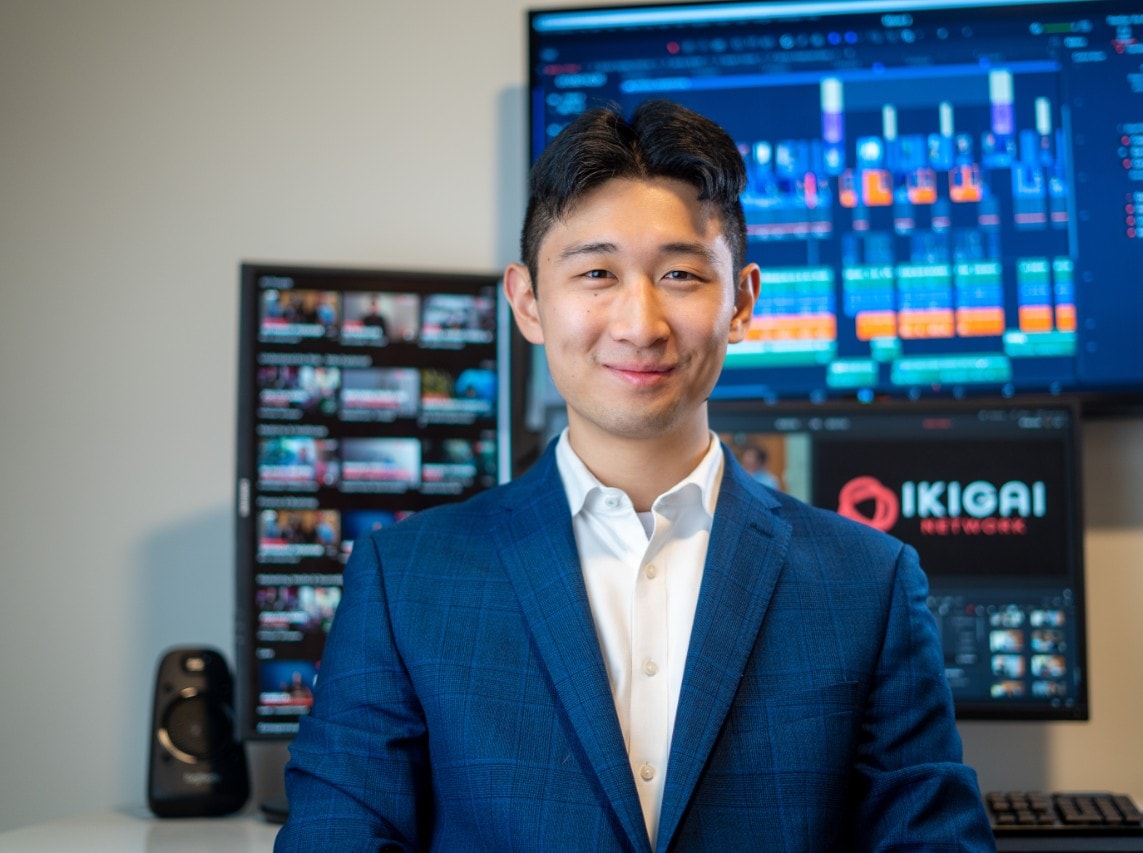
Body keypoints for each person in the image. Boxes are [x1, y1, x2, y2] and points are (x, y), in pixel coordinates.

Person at [276, 100, 995, 852]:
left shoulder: (869, 582)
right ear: (527, 301)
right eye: (596, 272)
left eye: (681, 273)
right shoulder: (405, 578)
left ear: (743, 300)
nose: (639, 323)